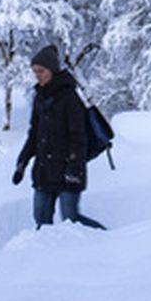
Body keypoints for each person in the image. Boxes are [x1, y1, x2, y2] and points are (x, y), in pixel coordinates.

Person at [13, 44, 106, 230]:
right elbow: (34, 133)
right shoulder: (39, 97)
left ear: (52, 71)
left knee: (71, 220)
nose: (37, 75)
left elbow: (78, 138)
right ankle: (44, 257)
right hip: (44, 171)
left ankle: (107, 238)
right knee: (41, 219)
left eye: (40, 71)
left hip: (68, 171)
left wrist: (73, 168)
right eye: (34, 71)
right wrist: (22, 163)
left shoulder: (70, 98)